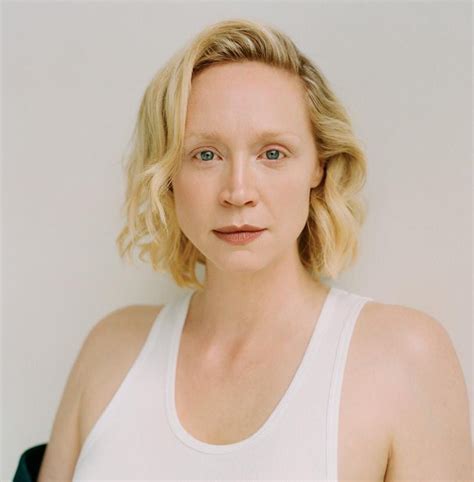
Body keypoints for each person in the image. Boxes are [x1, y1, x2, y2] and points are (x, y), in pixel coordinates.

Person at [37, 18, 471, 481]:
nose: (238, 192)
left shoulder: (404, 357)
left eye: (273, 153)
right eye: (206, 154)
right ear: (168, 175)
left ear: (318, 166)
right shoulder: (111, 349)